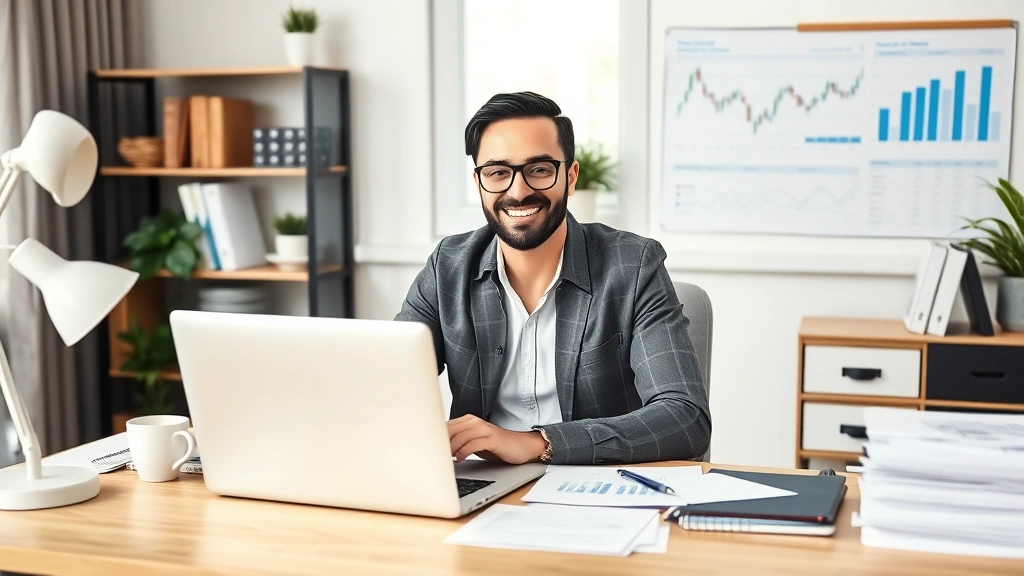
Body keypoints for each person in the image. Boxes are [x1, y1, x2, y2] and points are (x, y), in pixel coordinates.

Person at [396, 91, 710, 465]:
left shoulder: (633, 266)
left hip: (596, 490)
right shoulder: (447, 267)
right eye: (498, 172)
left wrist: (535, 443)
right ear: (479, 181)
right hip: (481, 485)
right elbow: (389, 387)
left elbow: (685, 418)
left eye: (540, 169)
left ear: (570, 176)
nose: (518, 191)